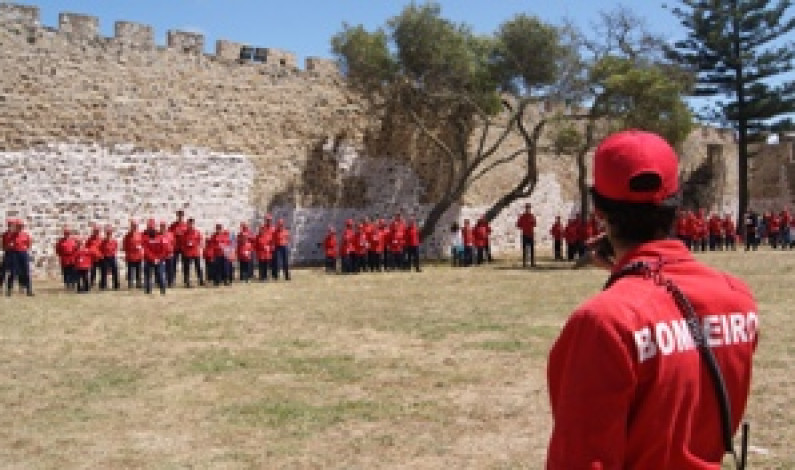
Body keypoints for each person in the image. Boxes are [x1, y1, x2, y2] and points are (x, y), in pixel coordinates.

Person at [546, 130, 758, 469]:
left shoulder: (604, 322)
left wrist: (629, 281)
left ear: (598, 209)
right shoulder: (738, 298)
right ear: (677, 202)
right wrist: (632, 273)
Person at [4, 220, 34, 296]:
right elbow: (5, 246)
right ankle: (9, 290)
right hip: (14, 254)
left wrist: (25, 249)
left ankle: (29, 290)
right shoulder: (11, 236)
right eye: (18, 226)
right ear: (16, 227)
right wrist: (9, 246)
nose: (20, 228)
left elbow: (29, 244)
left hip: (23, 254)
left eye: (21, 226)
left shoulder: (25, 235)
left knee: (26, 272)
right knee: (12, 273)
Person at [142, 219, 167, 295]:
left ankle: (162, 290)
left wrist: (158, 259)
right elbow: (146, 250)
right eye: (149, 228)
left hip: (159, 260)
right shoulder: (145, 237)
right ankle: (148, 290)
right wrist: (153, 259)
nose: (151, 230)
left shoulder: (160, 237)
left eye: (152, 228)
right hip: (149, 260)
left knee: (160, 275)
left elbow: (163, 249)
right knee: (148, 276)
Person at [181, 218, 204, 287]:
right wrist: (185, 248)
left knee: (198, 267)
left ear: (193, 224)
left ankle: (201, 280)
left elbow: (200, 241)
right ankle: (186, 281)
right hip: (187, 253)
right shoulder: (184, 233)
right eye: (189, 224)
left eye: (192, 224)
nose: (190, 225)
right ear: (187, 224)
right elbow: (182, 242)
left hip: (195, 252)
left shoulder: (197, 232)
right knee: (186, 268)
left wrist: (195, 244)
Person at [168, 210, 188, 286]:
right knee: (173, 264)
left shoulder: (186, 225)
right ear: (177, 216)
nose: (180, 217)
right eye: (179, 216)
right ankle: (172, 280)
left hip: (183, 248)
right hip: (175, 247)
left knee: (185, 265)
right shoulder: (173, 226)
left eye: (181, 216)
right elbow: (169, 236)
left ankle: (186, 280)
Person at [122, 220, 144, 289]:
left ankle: (139, 284)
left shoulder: (140, 235)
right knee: (130, 271)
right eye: (133, 226)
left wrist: (140, 248)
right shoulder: (127, 236)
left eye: (135, 226)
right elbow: (124, 247)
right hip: (130, 256)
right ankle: (130, 284)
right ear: (131, 227)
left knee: (138, 271)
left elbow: (143, 244)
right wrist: (129, 251)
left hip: (138, 256)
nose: (134, 227)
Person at [99, 225, 120, 290]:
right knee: (104, 271)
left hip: (112, 257)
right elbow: (101, 249)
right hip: (105, 257)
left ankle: (116, 285)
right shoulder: (103, 241)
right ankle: (103, 285)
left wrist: (113, 253)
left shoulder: (114, 241)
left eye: (110, 233)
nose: (109, 235)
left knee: (115, 270)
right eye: (108, 233)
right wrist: (102, 255)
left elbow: (116, 248)